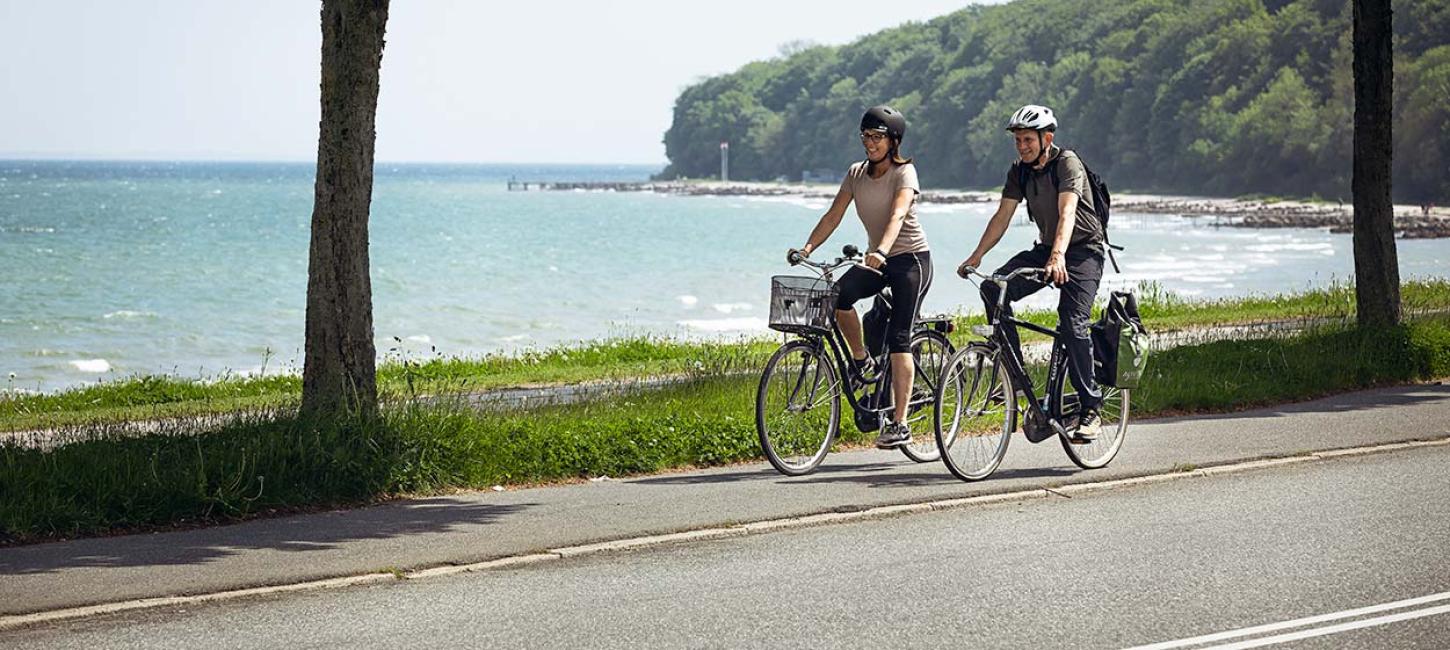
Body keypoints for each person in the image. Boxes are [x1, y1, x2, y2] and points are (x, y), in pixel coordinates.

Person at [788, 105, 933, 449]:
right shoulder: (856, 173)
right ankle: (861, 358)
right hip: (878, 260)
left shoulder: (905, 173)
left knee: (900, 336)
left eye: (877, 137)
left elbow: (898, 214)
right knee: (838, 296)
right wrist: (806, 248)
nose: (870, 143)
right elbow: (833, 214)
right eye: (865, 136)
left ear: (893, 141)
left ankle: (899, 423)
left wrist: (881, 250)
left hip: (910, 260)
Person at [957, 104, 1105, 440]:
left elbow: (1067, 212)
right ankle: (1015, 378)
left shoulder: (1067, 162)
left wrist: (1058, 256)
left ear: (1046, 138)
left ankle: (1090, 408)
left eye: (1027, 139)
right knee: (994, 289)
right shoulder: (1019, 171)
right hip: (1047, 250)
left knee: (1072, 323)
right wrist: (976, 257)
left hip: (1082, 251)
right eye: (1018, 141)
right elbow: (1002, 216)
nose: (1022, 146)